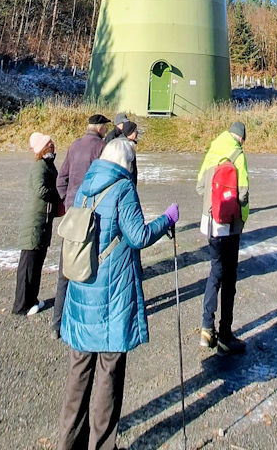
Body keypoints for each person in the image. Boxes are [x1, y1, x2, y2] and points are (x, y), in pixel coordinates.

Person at [58, 137, 178, 450]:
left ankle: (68, 443)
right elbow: (137, 236)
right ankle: (101, 445)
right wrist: (167, 219)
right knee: (108, 376)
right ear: (128, 163)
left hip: (82, 291)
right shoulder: (123, 188)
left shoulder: (86, 186)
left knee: (78, 374)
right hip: (112, 297)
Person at [51, 114, 111, 338]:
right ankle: (86, 323)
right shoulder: (102, 148)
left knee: (66, 269)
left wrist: (68, 203)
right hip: (93, 216)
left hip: (73, 215)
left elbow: (61, 178)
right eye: (105, 127)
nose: (106, 130)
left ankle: (56, 324)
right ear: (100, 128)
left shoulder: (74, 145)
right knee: (91, 269)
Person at [196, 121, 249, 354]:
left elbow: (200, 186)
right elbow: (244, 194)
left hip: (211, 224)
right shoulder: (238, 154)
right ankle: (225, 335)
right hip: (231, 226)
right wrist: (241, 218)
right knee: (229, 280)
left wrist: (212, 203)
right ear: (241, 138)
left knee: (215, 272)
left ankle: (206, 327)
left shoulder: (213, 150)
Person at [12, 132, 59, 316]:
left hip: (43, 220)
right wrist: (58, 195)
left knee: (37, 263)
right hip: (35, 221)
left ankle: (31, 300)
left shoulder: (48, 164)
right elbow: (41, 189)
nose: (53, 145)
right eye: (49, 144)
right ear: (43, 148)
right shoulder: (39, 166)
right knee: (28, 264)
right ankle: (21, 305)